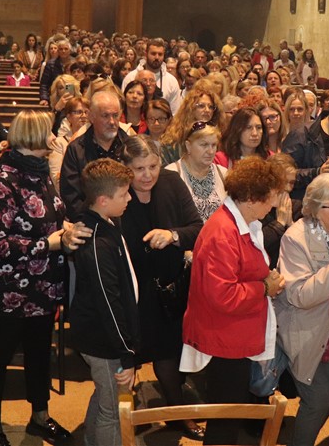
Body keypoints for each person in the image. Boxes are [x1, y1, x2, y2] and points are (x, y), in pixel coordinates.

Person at [0, 111, 73, 446]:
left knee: (39, 353)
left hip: (42, 285)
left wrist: (65, 229)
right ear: (33, 136)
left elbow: (49, 215)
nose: (54, 138)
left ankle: (39, 416)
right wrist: (49, 243)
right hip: (7, 288)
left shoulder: (40, 170)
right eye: (49, 132)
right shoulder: (3, 178)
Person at [180, 156, 286, 446]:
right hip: (224, 340)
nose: (274, 204)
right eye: (271, 197)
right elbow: (223, 295)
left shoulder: (239, 223)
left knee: (228, 418)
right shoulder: (223, 233)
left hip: (232, 335)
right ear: (252, 198)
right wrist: (263, 287)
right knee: (224, 422)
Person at [118, 137, 205, 440]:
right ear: (126, 169)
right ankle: (127, 415)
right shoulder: (118, 191)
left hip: (170, 286)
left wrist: (172, 235)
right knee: (131, 356)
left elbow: (198, 228)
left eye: (153, 166)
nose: (148, 175)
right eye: (139, 169)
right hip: (133, 288)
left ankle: (176, 413)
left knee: (169, 354)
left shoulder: (171, 182)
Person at [276, 173, 329, 446]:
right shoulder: (295, 238)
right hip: (305, 330)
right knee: (319, 399)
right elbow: (299, 295)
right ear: (315, 209)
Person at [67, 159, 140, 446]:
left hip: (107, 339)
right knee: (113, 410)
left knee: (103, 394)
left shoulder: (105, 223)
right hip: (105, 342)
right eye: (124, 194)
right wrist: (126, 353)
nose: (129, 198)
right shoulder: (97, 241)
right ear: (103, 199)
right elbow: (108, 303)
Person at [58, 89, 131, 215]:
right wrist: (95, 221)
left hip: (127, 218)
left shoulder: (129, 146)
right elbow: (71, 196)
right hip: (89, 221)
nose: (112, 122)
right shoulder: (76, 149)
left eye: (115, 115)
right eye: (105, 116)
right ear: (91, 117)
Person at [167, 122, 227, 222]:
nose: (211, 151)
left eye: (213, 145)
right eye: (204, 145)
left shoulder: (223, 173)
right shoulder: (171, 174)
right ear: (188, 146)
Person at [159, 84, 224, 166]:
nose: (207, 110)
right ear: (190, 108)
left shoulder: (216, 136)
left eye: (211, 107)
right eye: (201, 106)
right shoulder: (174, 139)